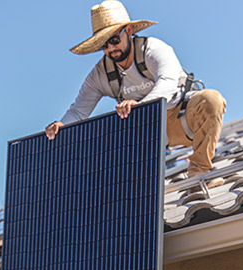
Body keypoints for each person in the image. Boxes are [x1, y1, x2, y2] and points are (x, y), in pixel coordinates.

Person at [45, 0, 226, 189]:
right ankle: (133, 188)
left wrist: (141, 106)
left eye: (114, 40)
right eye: (104, 45)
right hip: (146, 134)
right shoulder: (100, 74)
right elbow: (79, 111)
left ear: (129, 32)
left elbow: (167, 83)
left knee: (211, 99)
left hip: (181, 120)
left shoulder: (155, 49)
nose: (111, 49)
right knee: (105, 131)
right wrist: (61, 125)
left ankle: (200, 172)